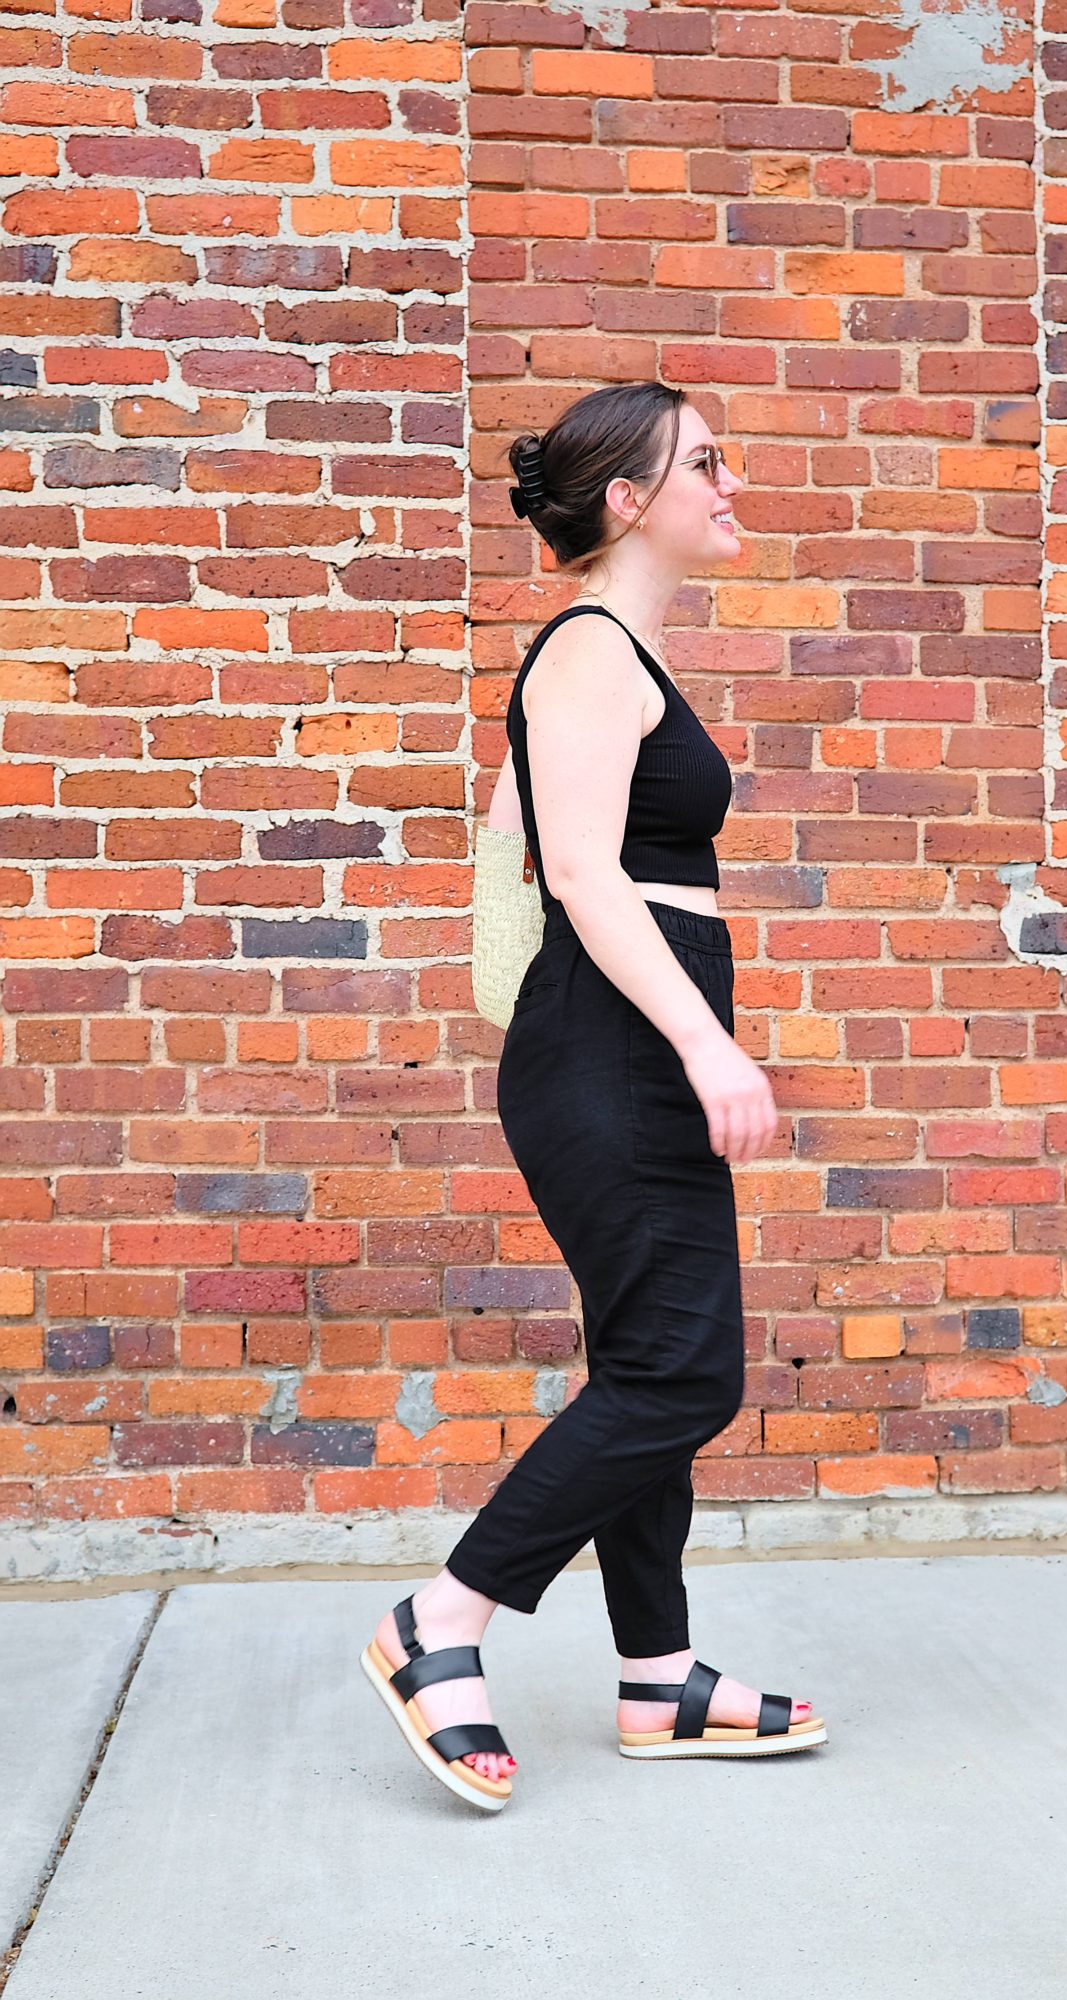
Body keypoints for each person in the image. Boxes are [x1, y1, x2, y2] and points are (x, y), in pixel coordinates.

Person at [360, 383, 827, 1811]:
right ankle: (442, 1618)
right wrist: (708, 1048)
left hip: (623, 1040)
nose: (731, 483)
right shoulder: (585, 653)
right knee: (686, 1372)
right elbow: (575, 877)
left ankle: (658, 1678)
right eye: (707, 464)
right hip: (614, 1047)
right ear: (630, 500)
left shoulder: (625, 656)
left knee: (649, 1363)